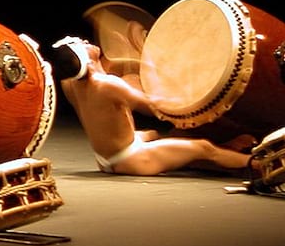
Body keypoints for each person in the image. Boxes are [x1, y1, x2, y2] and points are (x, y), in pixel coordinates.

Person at [49, 35, 255, 176]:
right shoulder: (108, 85)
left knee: (153, 134)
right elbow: (155, 107)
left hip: (106, 157)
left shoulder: (70, 84)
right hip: (130, 159)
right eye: (81, 43)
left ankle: (183, 154)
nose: (86, 41)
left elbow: (106, 78)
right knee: (203, 147)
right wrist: (190, 92)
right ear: (82, 57)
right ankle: (256, 166)